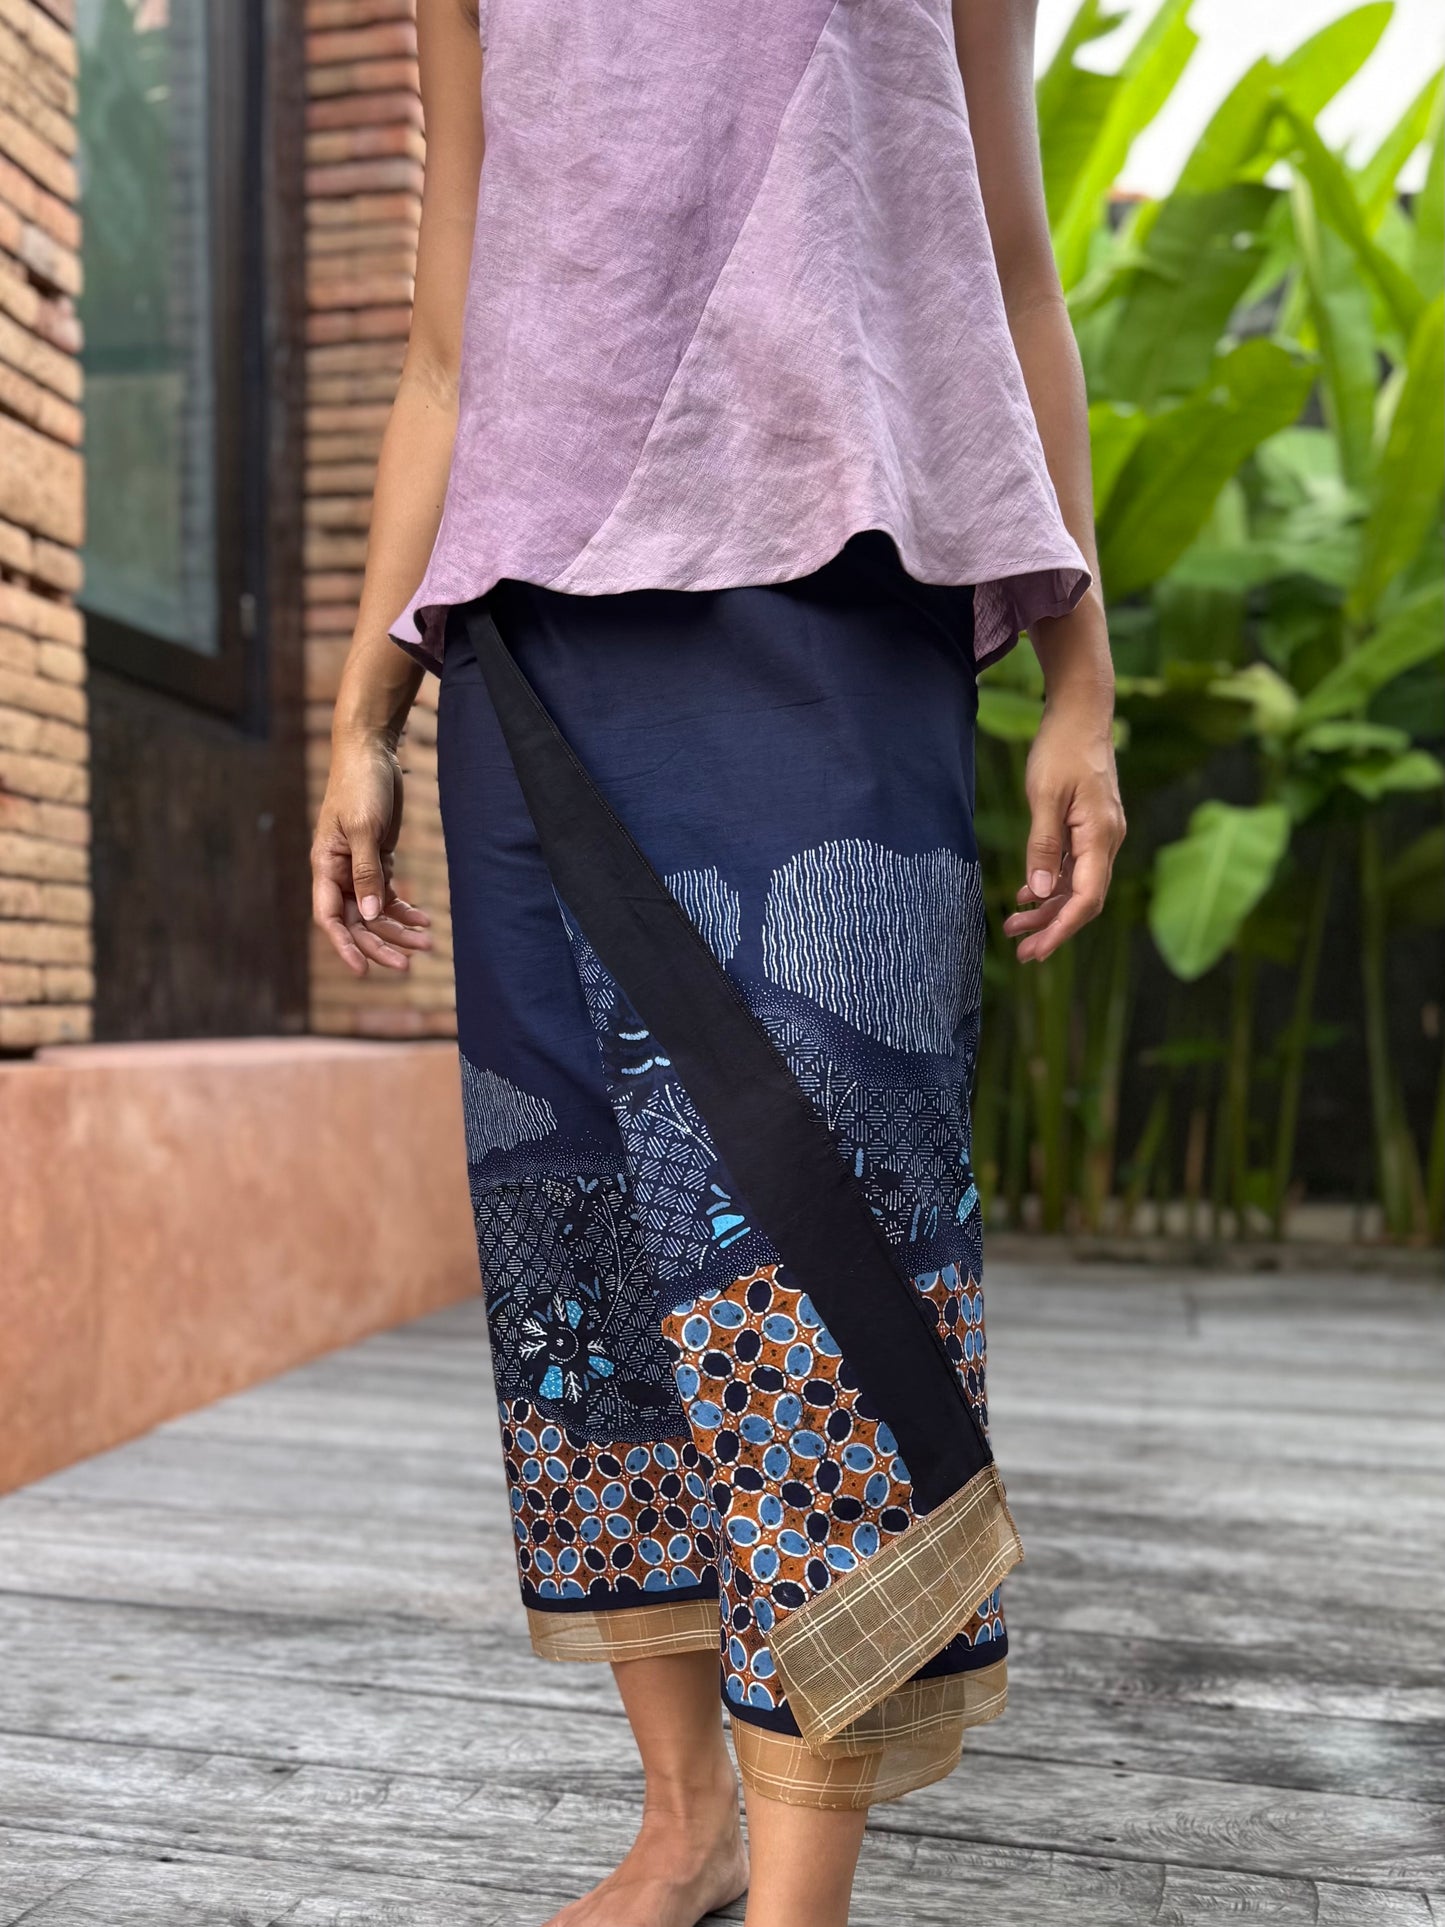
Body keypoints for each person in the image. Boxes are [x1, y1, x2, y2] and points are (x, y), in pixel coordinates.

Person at [312, 1, 1125, 1921]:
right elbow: (447, 341)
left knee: (827, 1246)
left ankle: (798, 1894)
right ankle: (684, 1824)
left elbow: (1011, 269)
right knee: (582, 1248)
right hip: (525, 645)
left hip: (832, 598)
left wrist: (1083, 681)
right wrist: (363, 706)